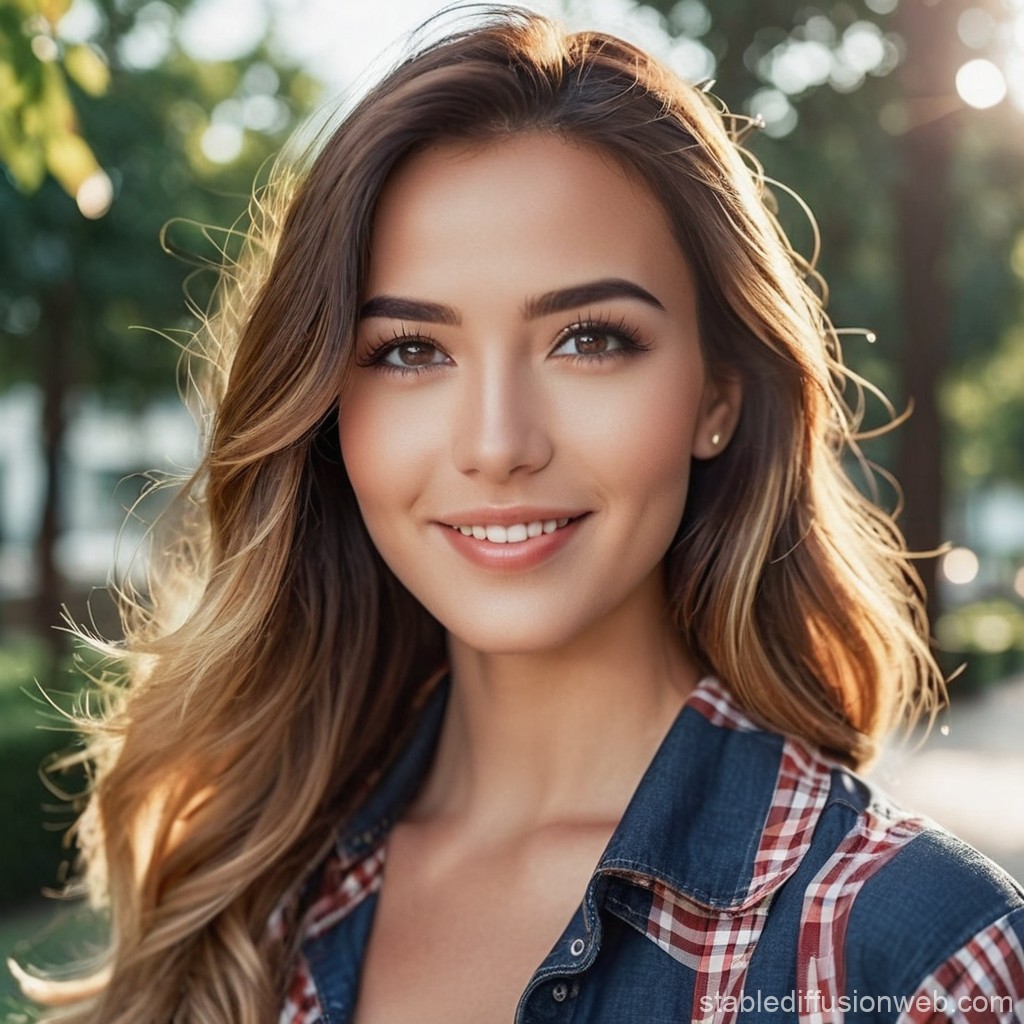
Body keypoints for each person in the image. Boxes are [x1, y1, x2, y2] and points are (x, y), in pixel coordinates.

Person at [13, 7, 1024, 1023]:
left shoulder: (911, 958)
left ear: (717, 394)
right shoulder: (249, 890)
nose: (496, 443)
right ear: (327, 408)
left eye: (588, 339)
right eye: (411, 350)